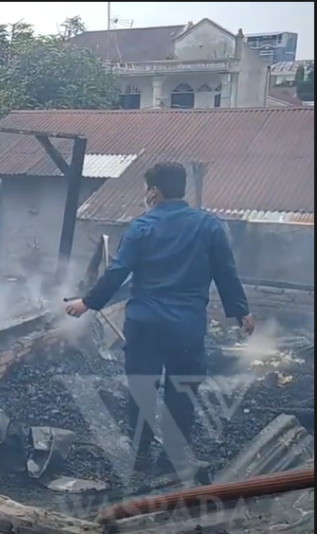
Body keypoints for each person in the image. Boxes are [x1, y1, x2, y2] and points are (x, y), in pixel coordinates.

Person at [64, 162, 254, 472]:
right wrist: (241, 311)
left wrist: (88, 302)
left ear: (153, 191)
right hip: (187, 328)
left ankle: (139, 455)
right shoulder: (208, 226)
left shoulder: (141, 227)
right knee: (182, 390)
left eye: (146, 189)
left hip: (145, 326)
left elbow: (117, 270)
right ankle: (172, 457)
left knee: (142, 388)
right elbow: (225, 272)